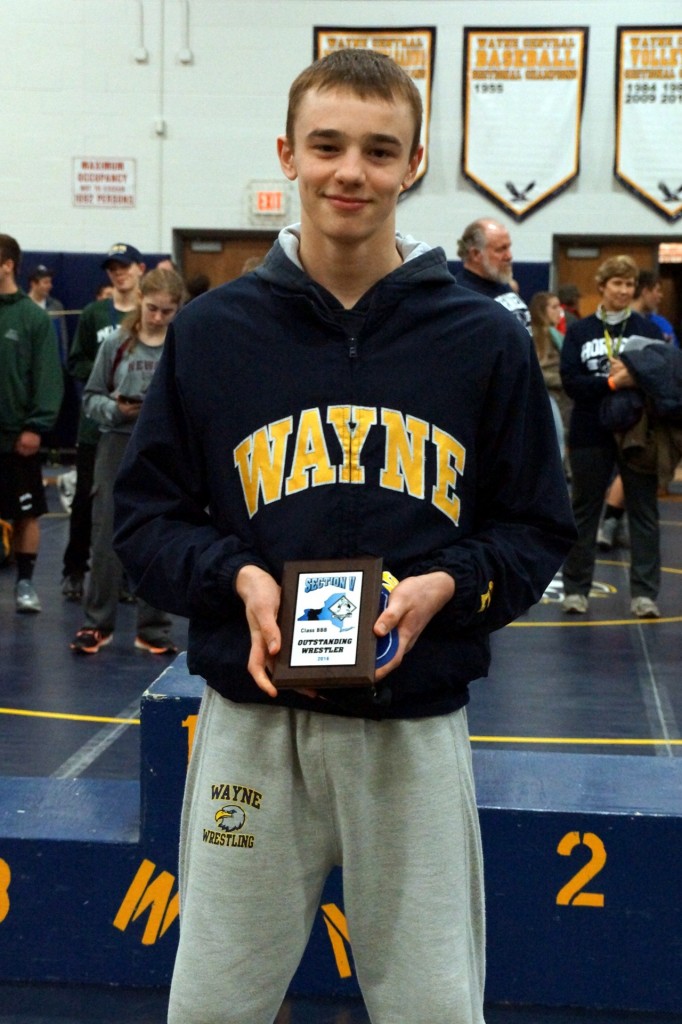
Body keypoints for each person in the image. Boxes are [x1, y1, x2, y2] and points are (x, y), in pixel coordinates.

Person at [113, 49, 574, 1024]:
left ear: (414, 164)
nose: (349, 172)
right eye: (326, 146)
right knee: (212, 1007)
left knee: (433, 1007)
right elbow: (146, 520)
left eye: (378, 150)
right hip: (251, 725)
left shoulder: (482, 339)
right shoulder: (213, 332)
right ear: (288, 154)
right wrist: (236, 577)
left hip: (412, 729)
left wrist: (449, 585)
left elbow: (537, 528)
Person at [69, 268, 183, 655]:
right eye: (152, 309)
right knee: (106, 533)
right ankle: (96, 623)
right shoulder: (117, 343)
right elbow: (90, 398)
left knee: (159, 531)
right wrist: (117, 410)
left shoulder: (180, 345)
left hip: (161, 447)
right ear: (140, 301)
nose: (158, 318)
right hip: (117, 441)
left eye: (167, 311)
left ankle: (153, 627)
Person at [560, 255, 664, 618]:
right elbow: (572, 383)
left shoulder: (648, 331)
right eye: (617, 283)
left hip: (636, 433)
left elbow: (662, 380)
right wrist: (611, 383)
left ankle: (644, 595)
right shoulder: (580, 331)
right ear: (602, 286)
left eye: (629, 284)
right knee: (584, 512)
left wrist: (637, 379)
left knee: (644, 512)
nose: (623, 290)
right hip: (590, 431)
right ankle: (576, 590)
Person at [61, 243, 145, 601]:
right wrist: (106, 371)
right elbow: (76, 362)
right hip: (97, 426)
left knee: (134, 502)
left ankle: (127, 576)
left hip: (136, 427)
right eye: (112, 268)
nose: (118, 273)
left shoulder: (148, 314)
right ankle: (75, 570)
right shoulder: (95, 313)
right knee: (85, 500)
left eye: (124, 266)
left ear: (140, 268)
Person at [0, 233, 64, 612]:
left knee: (27, 512)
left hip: (16, 436)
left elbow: (47, 376)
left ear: (7, 265)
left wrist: (35, 425)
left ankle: (25, 583)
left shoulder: (33, 318)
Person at [454, 217, 532, 333]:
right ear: (476, 254)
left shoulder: (501, 284)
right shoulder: (461, 296)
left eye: (508, 247)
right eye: (501, 249)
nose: (509, 256)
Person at [529, 291, 572, 459]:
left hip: (563, 399)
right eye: (554, 307)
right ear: (541, 310)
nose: (559, 312)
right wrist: (564, 379)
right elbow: (537, 370)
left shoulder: (557, 335)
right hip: (547, 397)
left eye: (559, 307)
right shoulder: (536, 335)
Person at [27, 263, 69, 364]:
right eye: (45, 282)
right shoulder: (23, 307)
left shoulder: (56, 306)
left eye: (50, 282)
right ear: (33, 284)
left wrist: (63, 363)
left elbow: (63, 338)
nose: (50, 286)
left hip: (51, 362)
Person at [631, 269, 679, 348]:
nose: (661, 296)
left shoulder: (660, 323)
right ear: (645, 291)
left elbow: (673, 352)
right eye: (658, 290)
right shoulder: (620, 320)